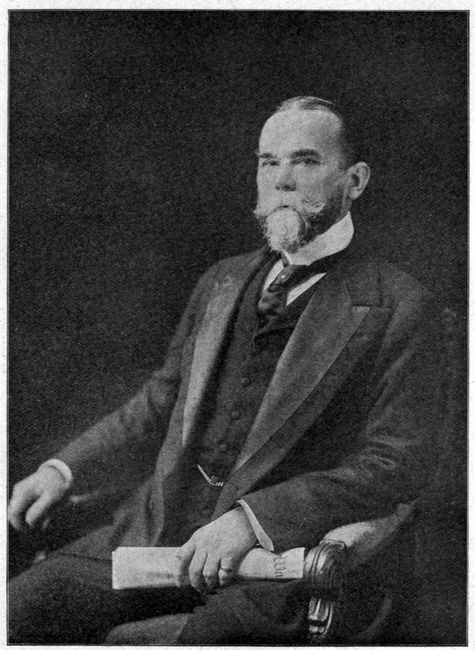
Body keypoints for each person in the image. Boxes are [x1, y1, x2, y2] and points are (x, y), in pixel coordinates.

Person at [8, 96, 442, 644]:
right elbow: (162, 400)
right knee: (19, 610)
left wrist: (251, 520)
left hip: (276, 566)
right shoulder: (222, 281)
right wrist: (63, 470)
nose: (282, 180)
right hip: (159, 539)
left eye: (305, 161)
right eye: (268, 162)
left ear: (354, 181)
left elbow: (393, 463)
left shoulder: (403, 306)